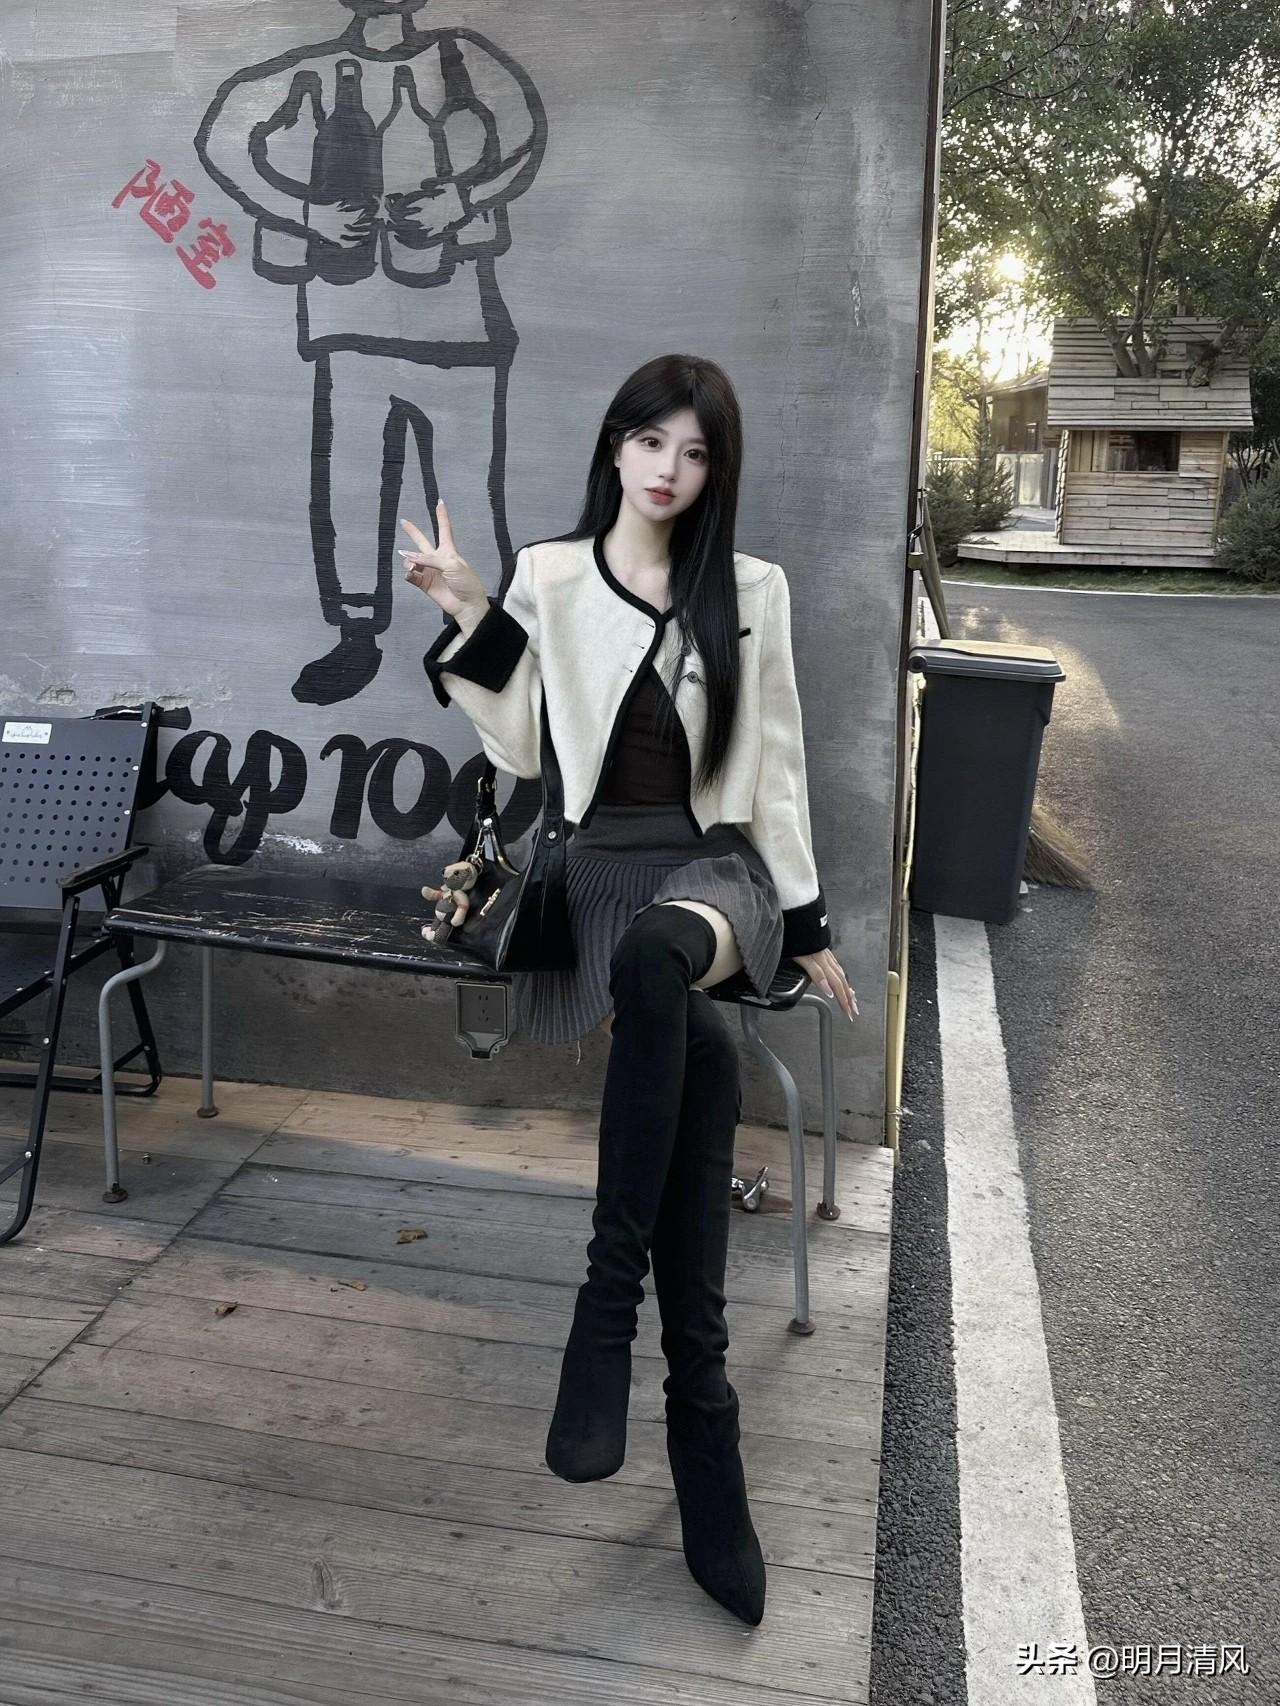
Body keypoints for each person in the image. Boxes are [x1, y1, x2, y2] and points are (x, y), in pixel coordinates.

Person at [402, 353, 858, 1628]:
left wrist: (806, 919)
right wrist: (469, 607)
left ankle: (604, 1304)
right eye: (652, 441)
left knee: (662, 963)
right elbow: (520, 744)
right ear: (614, 445)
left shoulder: (749, 589)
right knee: (697, 1056)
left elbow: (775, 761)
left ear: (716, 469)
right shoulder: (550, 574)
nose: (670, 468)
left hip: (710, 876)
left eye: (696, 451)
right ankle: (702, 1418)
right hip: (593, 871)